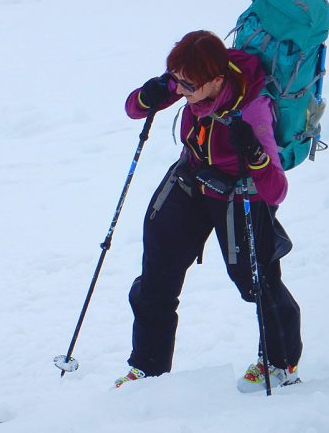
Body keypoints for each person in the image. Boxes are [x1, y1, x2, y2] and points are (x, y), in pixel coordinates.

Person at [114, 30, 302, 393]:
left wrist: (254, 154)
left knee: (257, 282)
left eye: (186, 85)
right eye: (176, 79)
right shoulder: (191, 75)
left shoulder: (253, 109)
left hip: (239, 193)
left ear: (217, 81)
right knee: (157, 276)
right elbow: (133, 108)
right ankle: (147, 371)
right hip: (191, 178)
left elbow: (276, 189)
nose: (178, 89)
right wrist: (147, 95)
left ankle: (281, 363)